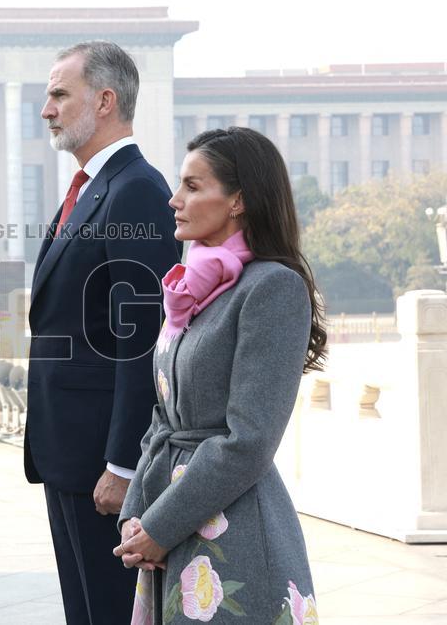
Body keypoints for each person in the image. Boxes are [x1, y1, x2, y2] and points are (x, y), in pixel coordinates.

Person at [113, 127, 328, 624]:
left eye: (193, 186)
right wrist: (137, 517)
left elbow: (249, 440)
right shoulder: (193, 287)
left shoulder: (272, 288)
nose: (174, 200)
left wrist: (160, 525)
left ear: (238, 201)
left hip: (234, 529)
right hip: (172, 524)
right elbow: (162, 415)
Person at [25, 40, 181, 624]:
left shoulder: (135, 189)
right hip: (66, 450)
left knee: (109, 613)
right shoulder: (89, 189)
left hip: (100, 461)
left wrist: (123, 464)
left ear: (106, 100)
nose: (47, 109)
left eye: (60, 95)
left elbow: (142, 340)